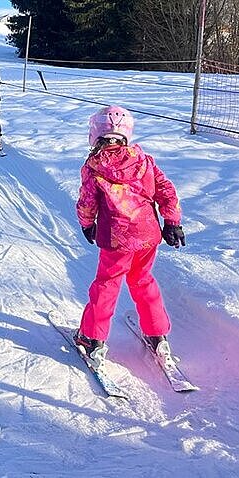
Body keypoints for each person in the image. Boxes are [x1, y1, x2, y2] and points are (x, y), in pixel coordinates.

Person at [74, 105, 184, 370]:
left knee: (107, 284)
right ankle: (157, 334)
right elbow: (166, 190)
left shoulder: (95, 166)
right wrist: (172, 222)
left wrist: (87, 224)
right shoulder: (144, 160)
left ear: (96, 134)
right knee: (143, 280)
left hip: (117, 239)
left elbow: (87, 201)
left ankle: (92, 338)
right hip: (147, 235)